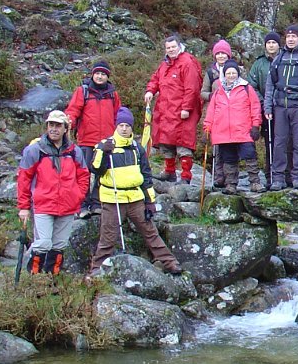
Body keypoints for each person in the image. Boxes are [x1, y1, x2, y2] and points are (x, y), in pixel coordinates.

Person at [89, 108, 181, 276]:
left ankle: (170, 262)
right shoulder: (105, 146)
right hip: (113, 198)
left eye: (127, 125)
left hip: (135, 198)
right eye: (121, 125)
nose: (124, 129)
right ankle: (96, 269)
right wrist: (103, 151)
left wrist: (150, 201)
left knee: (150, 231)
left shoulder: (137, 149)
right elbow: (96, 169)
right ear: (116, 126)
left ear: (132, 128)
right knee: (108, 237)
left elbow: (146, 176)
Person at [16, 110, 91, 275]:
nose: (54, 129)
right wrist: (24, 207)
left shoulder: (74, 151)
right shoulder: (35, 150)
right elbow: (23, 179)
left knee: (59, 245)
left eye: (58, 125)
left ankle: (52, 281)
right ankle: (34, 280)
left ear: (66, 128)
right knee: (42, 244)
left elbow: (84, 176)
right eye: (51, 125)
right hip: (43, 205)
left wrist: (78, 196)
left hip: (68, 206)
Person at [65, 60, 120, 218]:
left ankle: (96, 203)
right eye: (97, 73)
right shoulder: (83, 91)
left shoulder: (112, 94)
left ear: (107, 76)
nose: (100, 76)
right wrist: (69, 122)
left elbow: (117, 115)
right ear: (92, 74)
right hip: (86, 140)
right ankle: (82, 204)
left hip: (105, 142)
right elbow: (73, 110)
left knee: (102, 172)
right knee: (84, 174)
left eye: (103, 74)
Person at [144, 34, 203, 183]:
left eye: (173, 47)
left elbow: (192, 88)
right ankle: (169, 171)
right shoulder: (165, 64)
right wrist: (150, 91)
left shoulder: (188, 62)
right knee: (165, 141)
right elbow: (155, 79)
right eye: (168, 48)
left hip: (181, 111)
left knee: (183, 144)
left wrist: (187, 108)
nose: (171, 50)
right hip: (165, 109)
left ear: (179, 46)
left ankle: (185, 175)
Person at [264, 24, 298, 191]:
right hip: (280, 106)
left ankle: (297, 177)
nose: (291, 39)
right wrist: (267, 108)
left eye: (294, 36)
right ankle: (278, 177)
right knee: (279, 142)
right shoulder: (278, 58)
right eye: (288, 37)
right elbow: (270, 84)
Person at [202, 60, 263, 195]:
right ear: (224, 75)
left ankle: (255, 182)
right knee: (228, 160)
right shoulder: (218, 92)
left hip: (243, 130)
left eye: (233, 73)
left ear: (238, 74)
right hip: (223, 133)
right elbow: (211, 112)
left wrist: (255, 125)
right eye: (228, 73)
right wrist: (207, 129)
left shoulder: (247, 88)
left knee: (250, 156)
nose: (231, 75)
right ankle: (231, 184)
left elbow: (255, 107)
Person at [248, 31, 281, 189]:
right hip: (265, 110)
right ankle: (270, 175)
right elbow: (252, 85)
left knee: (282, 143)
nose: (271, 45)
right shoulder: (259, 63)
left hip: (283, 108)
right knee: (269, 144)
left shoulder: (285, 60)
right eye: (269, 43)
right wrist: (264, 102)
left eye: (274, 42)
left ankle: (283, 175)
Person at [201, 39, 233, 190]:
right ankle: (218, 177)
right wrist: (215, 96)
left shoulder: (235, 70)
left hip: (232, 114)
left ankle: (230, 178)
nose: (221, 56)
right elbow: (203, 92)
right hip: (215, 113)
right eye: (218, 53)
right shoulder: (210, 72)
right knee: (217, 147)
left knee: (229, 147)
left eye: (223, 53)